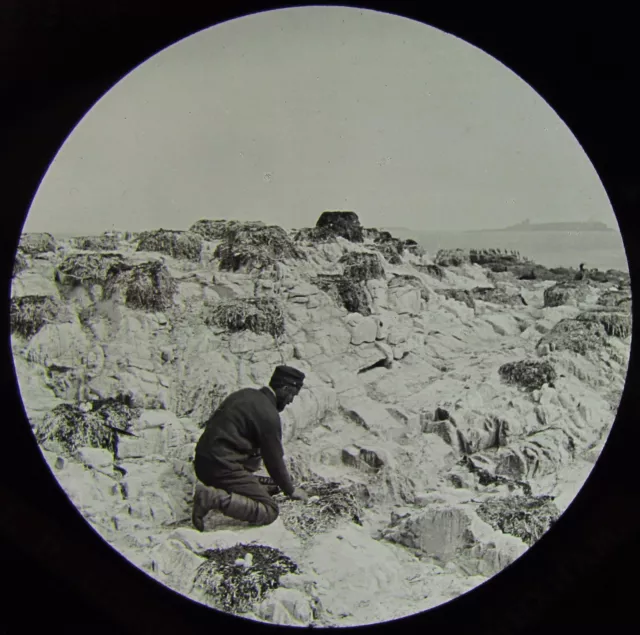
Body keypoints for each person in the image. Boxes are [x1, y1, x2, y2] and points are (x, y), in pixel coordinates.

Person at [191, 365, 309, 530]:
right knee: (270, 510)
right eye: (291, 395)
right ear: (285, 388)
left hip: (203, 461)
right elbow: (273, 460)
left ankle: (223, 489)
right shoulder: (268, 414)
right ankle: (212, 498)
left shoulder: (245, 394)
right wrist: (290, 490)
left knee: (271, 486)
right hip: (220, 467)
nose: (290, 401)